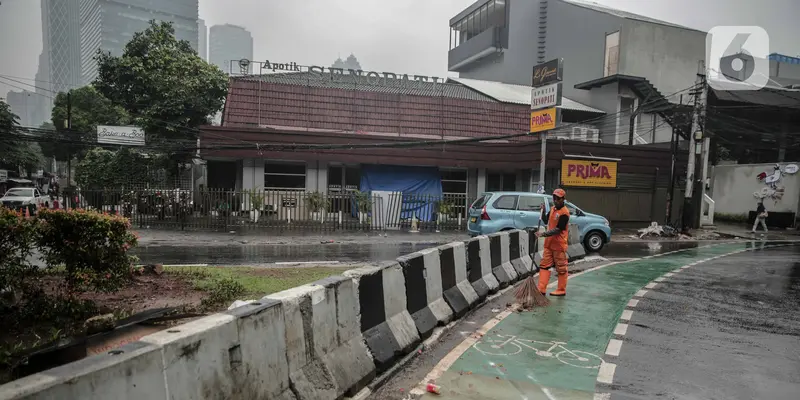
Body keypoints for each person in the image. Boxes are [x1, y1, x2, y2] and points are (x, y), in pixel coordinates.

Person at [536, 188, 571, 296]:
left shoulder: (564, 213)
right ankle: (541, 289)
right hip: (549, 244)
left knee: (561, 268)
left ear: (563, 199)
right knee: (544, 265)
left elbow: (558, 229)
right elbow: (547, 221)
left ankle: (561, 290)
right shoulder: (552, 209)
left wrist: (543, 234)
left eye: (558, 198)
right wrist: (542, 213)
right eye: (554, 198)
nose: (556, 200)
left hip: (559, 245)